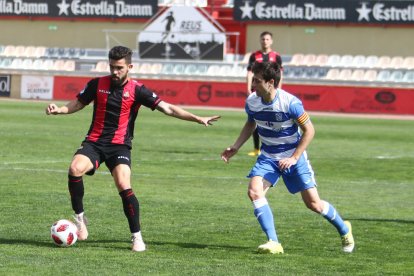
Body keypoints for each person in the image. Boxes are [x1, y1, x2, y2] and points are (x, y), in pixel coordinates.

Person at [45, 46, 220, 252]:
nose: (114, 72)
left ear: (130, 66)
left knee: (123, 184)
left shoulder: (138, 90)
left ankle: (136, 237)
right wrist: (59, 110)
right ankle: (80, 219)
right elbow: (77, 104)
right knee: (75, 169)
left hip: (120, 145)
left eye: (119, 68)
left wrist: (197, 118)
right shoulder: (97, 84)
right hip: (95, 142)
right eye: (111, 67)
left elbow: (168, 108)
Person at [221, 62, 354, 254]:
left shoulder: (290, 103)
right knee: (254, 191)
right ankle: (274, 242)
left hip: (293, 157)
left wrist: (294, 157)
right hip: (268, 157)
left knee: (314, 204)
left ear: (270, 82)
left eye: (257, 81)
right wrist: (236, 146)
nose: (253, 86)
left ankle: (344, 228)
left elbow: (309, 130)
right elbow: (251, 123)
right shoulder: (252, 101)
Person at [246, 31, 283, 157]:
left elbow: (280, 74)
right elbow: (250, 72)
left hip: (272, 93)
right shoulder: (254, 56)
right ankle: (257, 148)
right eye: (263, 39)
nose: (265, 41)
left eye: (267, 39)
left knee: (273, 119)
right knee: (255, 119)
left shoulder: (276, 56)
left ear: (271, 41)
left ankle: (275, 146)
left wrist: (279, 88)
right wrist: (248, 87)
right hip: (257, 91)